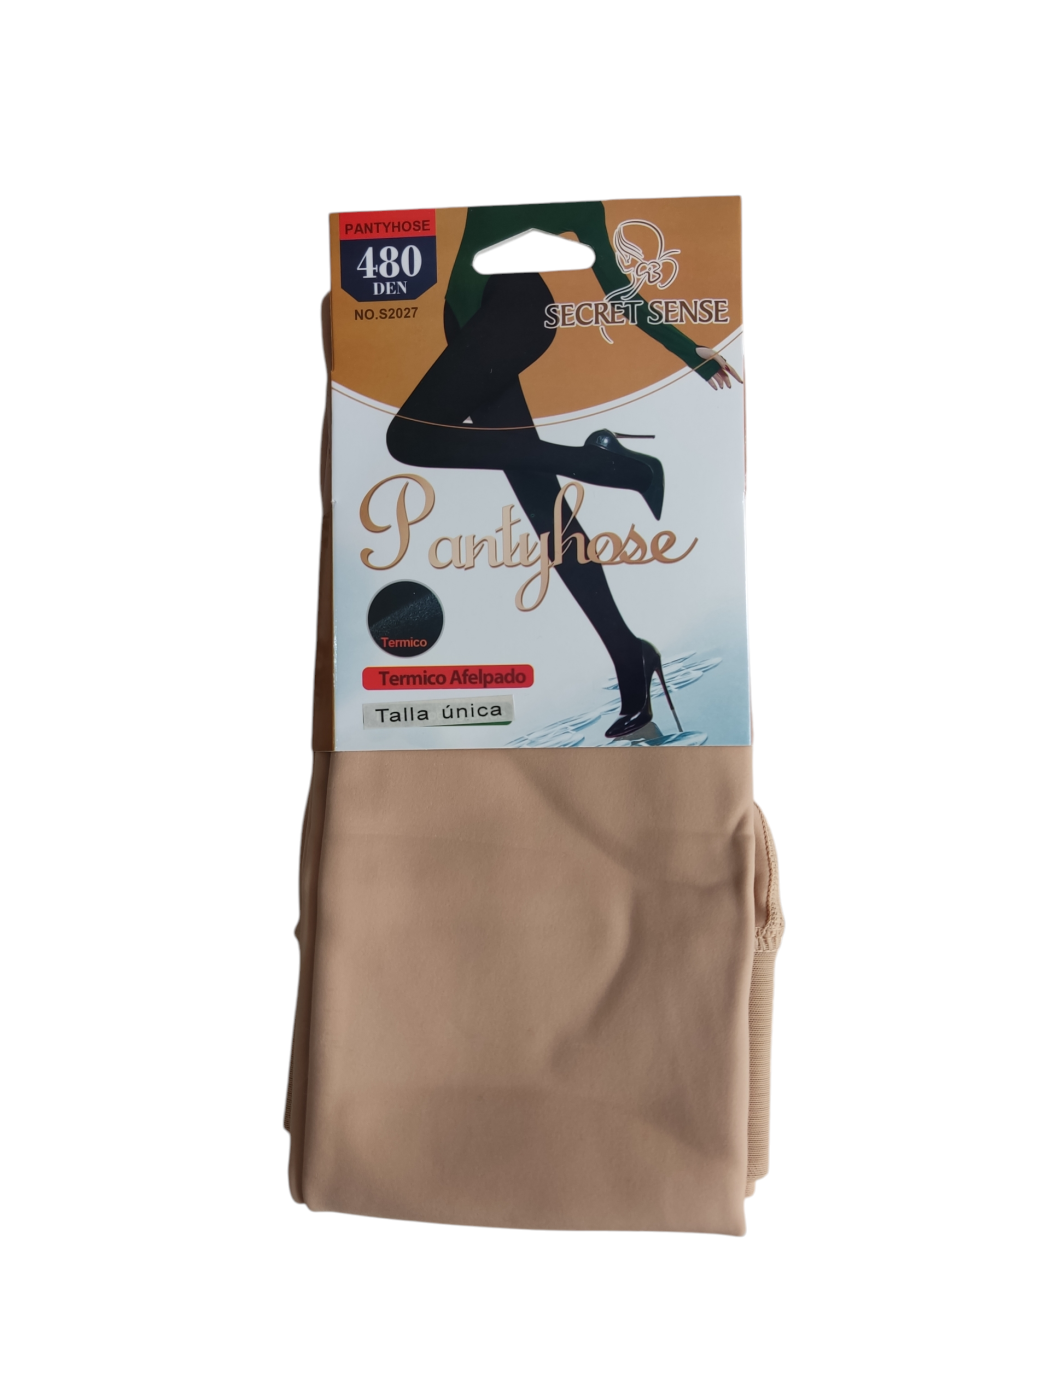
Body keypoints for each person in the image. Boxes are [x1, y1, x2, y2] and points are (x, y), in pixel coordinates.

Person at [387, 201, 741, 740]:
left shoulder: (582, 198)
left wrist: (689, 352)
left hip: (513, 311)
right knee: (544, 509)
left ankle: (606, 464)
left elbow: (616, 289)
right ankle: (629, 655)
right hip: (466, 319)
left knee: (408, 439)